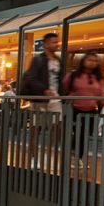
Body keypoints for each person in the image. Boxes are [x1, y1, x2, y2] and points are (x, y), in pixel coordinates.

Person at [62, 52, 104, 159]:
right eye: (89, 60)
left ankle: (78, 157)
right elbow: (64, 88)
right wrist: (70, 96)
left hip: (91, 111)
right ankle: (73, 156)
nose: (92, 63)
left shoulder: (98, 78)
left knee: (84, 135)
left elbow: (102, 94)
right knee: (77, 133)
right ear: (83, 61)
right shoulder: (74, 75)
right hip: (74, 109)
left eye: (95, 61)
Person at [21, 32, 63, 164]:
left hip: (55, 100)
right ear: (45, 44)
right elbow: (31, 78)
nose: (56, 44)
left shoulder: (58, 60)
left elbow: (60, 80)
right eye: (53, 42)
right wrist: (44, 90)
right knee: (36, 128)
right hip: (40, 100)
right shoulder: (38, 60)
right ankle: (33, 157)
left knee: (57, 128)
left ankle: (47, 154)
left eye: (57, 42)